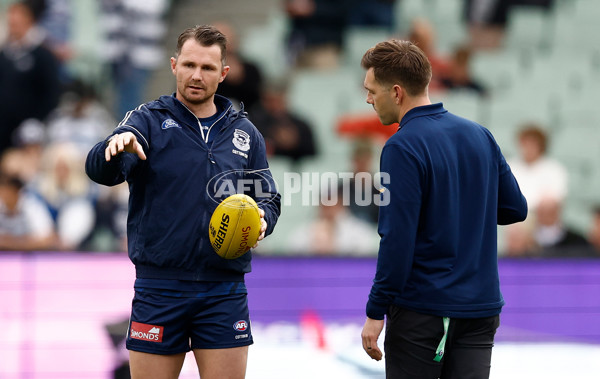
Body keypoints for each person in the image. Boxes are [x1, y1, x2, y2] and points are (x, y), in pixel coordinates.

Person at [85, 25, 281, 378]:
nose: (196, 75)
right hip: (159, 289)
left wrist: (263, 218)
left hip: (224, 290)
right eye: (189, 64)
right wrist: (112, 150)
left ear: (223, 74)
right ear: (174, 65)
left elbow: (268, 197)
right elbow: (101, 170)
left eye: (207, 68)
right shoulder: (145, 121)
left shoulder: (245, 132)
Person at [358, 40, 527, 378]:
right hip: (480, 310)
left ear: (396, 92)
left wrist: (375, 311)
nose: (367, 99)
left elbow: (396, 239)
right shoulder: (480, 135)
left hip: (426, 313)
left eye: (371, 90)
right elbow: (515, 208)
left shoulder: (401, 147)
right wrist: (458, 206)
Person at [0, 1, 62, 154]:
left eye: (18, 15)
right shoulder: (4, 54)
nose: (13, 20)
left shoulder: (43, 55)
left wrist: (37, 121)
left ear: (30, 19)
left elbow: (52, 94)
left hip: (29, 132)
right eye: (11, 15)